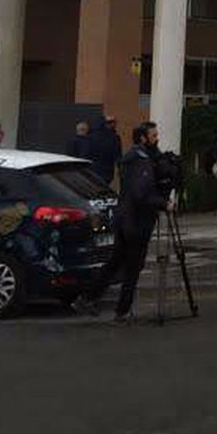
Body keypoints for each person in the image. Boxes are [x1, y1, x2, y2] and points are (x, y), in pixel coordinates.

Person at [76, 122, 171, 323]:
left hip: (126, 218)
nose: (157, 139)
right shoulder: (141, 161)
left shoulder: (133, 159)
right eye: (153, 136)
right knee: (132, 267)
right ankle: (122, 310)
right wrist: (163, 203)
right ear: (143, 138)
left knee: (116, 261)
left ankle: (89, 297)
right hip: (136, 221)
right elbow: (141, 194)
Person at [89, 117, 122, 188]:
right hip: (107, 170)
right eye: (112, 123)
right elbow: (117, 155)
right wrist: (120, 169)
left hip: (93, 169)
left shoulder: (91, 136)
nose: (114, 125)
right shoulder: (114, 137)